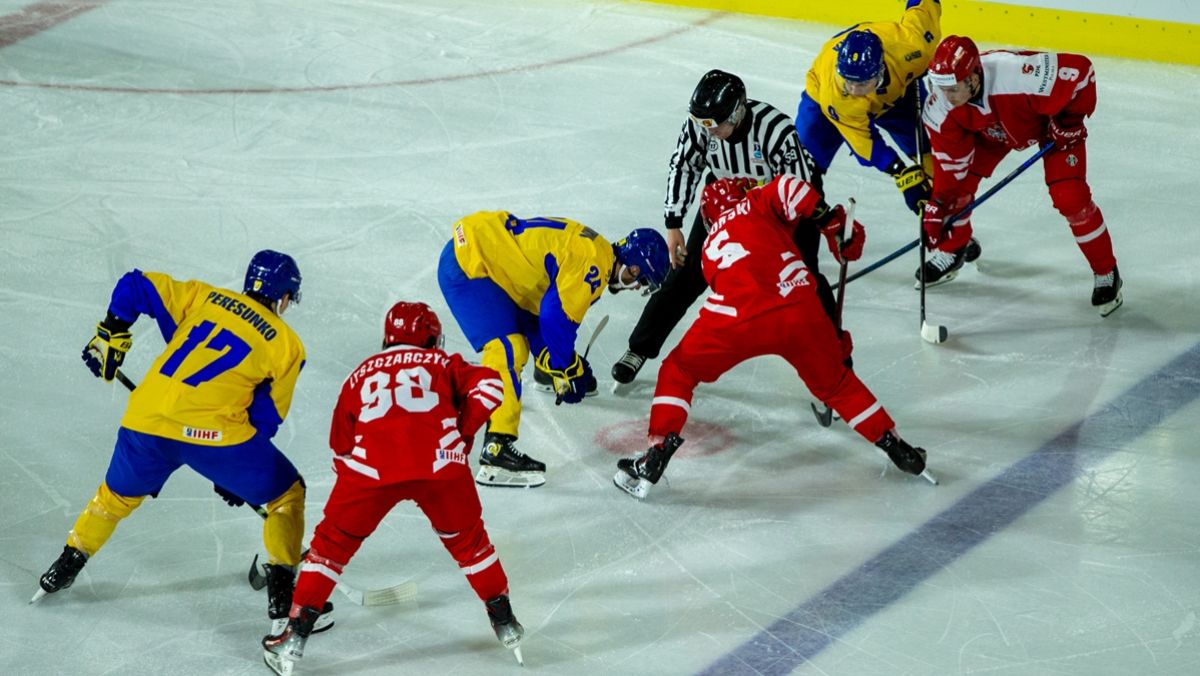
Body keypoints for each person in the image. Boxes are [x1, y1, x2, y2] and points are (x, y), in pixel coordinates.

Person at [32, 251, 324, 631]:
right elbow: (263, 419)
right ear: (284, 298)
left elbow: (134, 285)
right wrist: (234, 477)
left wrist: (111, 334)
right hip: (216, 437)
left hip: (146, 419)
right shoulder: (287, 345)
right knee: (287, 495)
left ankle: (67, 563)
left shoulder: (204, 298)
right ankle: (285, 602)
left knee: (114, 498)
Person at [613, 176, 933, 500]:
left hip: (735, 315)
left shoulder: (708, 249)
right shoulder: (757, 203)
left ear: (708, 219)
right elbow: (790, 186)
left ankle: (656, 451)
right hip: (798, 302)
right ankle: (895, 445)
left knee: (679, 370)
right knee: (836, 384)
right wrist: (831, 221)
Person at [262, 301, 525, 674]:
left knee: (330, 547)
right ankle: (505, 620)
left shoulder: (359, 374)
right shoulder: (444, 362)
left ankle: (293, 637)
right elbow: (491, 385)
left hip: (370, 470)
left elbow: (340, 446)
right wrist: (462, 431)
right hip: (441, 465)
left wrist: (355, 494)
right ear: (431, 336)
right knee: (470, 544)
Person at [611, 68, 832, 386]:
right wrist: (673, 223)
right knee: (686, 274)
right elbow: (684, 165)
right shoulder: (703, 125)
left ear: (738, 112)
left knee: (803, 277)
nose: (708, 131)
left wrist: (770, 238)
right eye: (703, 124)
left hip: (783, 203)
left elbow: (798, 189)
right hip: (725, 200)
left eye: (714, 124)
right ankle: (639, 348)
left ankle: (834, 357)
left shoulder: (776, 130)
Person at [437, 211, 670, 487]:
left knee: (525, 340)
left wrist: (554, 362)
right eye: (639, 280)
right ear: (633, 267)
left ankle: (542, 375)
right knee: (507, 347)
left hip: (488, 262)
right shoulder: (593, 267)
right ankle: (496, 449)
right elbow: (554, 317)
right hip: (470, 266)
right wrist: (566, 366)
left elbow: (533, 310)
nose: (635, 288)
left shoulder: (597, 253)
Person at [919, 35, 1123, 315]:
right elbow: (951, 165)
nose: (946, 96)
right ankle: (954, 248)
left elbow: (1081, 71)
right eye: (940, 88)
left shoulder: (1016, 75)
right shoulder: (941, 106)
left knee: (1070, 197)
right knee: (960, 188)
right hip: (995, 133)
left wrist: (1070, 122)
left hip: (1051, 126)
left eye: (952, 88)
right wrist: (939, 202)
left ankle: (1106, 271)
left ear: (974, 77)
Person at [796, 0, 943, 215]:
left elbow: (923, 6)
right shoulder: (837, 94)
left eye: (862, 84)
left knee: (936, 160)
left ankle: (948, 229)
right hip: (822, 104)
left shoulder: (914, 46)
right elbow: (864, 143)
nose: (854, 90)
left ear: (880, 70)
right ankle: (799, 230)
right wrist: (900, 172)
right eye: (849, 82)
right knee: (802, 171)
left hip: (897, 94)